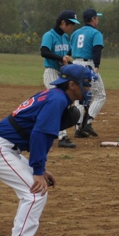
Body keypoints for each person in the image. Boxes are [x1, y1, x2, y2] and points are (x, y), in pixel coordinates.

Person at [0, 64, 93, 236]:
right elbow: (40, 135)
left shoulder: (55, 95)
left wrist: (39, 169)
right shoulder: (57, 100)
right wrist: (37, 171)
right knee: (34, 192)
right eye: (86, 84)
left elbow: (34, 133)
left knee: (35, 189)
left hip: (4, 148)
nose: (89, 89)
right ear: (73, 84)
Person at [40, 10, 80, 148]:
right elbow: (44, 52)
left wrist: (68, 59)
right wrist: (60, 58)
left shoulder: (65, 37)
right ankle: (62, 136)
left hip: (62, 74)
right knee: (59, 102)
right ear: (63, 22)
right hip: (51, 72)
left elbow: (67, 53)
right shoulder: (49, 35)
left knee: (63, 103)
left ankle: (49, 129)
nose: (72, 28)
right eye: (70, 24)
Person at [71, 8, 106, 138]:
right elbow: (97, 50)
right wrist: (96, 67)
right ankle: (88, 121)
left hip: (75, 64)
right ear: (92, 19)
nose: (98, 20)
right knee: (100, 95)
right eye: (96, 18)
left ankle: (78, 128)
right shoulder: (96, 33)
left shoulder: (75, 33)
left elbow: (70, 51)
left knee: (81, 96)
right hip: (88, 65)